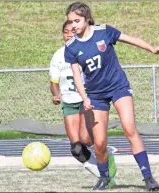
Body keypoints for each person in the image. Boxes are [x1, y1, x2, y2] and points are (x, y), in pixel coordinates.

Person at [64, 2, 159, 191]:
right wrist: (85, 97)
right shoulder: (70, 46)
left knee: (129, 129)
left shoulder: (105, 32)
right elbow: (77, 75)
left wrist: (151, 49)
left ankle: (148, 177)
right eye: (70, 22)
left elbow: (131, 39)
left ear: (87, 19)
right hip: (95, 95)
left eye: (77, 20)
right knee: (100, 142)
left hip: (118, 87)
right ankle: (104, 178)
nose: (73, 25)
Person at [49, 21, 116, 180]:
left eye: (72, 31)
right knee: (77, 149)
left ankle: (106, 160)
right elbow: (53, 82)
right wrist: (56, 94)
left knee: (86, 140)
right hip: (69, 103)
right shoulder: (58, 56)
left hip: (86, 99)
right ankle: (104, 177)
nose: (69, 34)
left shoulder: (86, 49)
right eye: (66, 32)